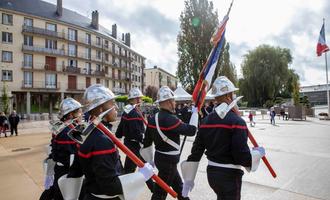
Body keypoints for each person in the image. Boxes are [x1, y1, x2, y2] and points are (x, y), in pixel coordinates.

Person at [63, 84, 155, 200]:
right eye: (112, 103)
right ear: (101, 108)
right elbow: (110, 186)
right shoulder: (102, 141)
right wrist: (140, 177)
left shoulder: (87, 134)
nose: (116, 107)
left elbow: (75, 171)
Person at [181, 76, 265, 200]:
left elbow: (196, 152)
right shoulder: (237, 122)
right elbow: (242, 157)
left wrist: (188, 179)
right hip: (229, 176)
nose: (234, 96)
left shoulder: (205, 121)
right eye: (233, 93)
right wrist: (257, 154)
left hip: (212, 174)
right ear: (228, 96)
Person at [141, 86, 199, 200]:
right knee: (159, 194)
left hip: (161, 159)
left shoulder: (152, 118)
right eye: (173, 100)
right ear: (168, 102)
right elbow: (192, 130)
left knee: (180, 187)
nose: (175, 103)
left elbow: (147, 142)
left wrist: (149, 161)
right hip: (169, 162)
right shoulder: (170, 119)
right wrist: (195, 114)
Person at [43, 98, 83, 200]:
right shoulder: (68, 131)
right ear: (70, 115)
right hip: (66, 171)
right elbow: (71, 155)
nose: (81, 114)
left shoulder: (64, 127)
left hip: (60, 168)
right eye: (79, 112)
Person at [115, 87, 154, 192]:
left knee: (130, 168)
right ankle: (154, 189)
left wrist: (117, 136)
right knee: (144, 168)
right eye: (140, 99)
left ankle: (123, 187)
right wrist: (146, 141)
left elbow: (120, 128)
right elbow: (137, 133)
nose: (141, 101)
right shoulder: (134, 113)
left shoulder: (127, 111)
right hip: (135, 145)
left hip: (129, 144)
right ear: (136, 99)